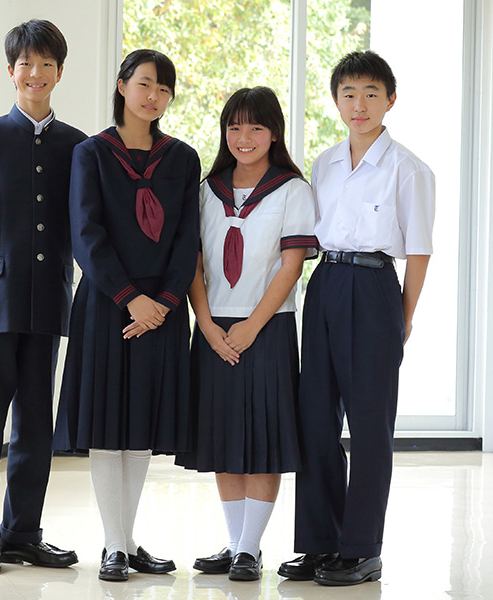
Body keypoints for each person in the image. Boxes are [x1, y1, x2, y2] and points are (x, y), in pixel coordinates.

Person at [278, 50, 434, 587]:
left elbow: (418, 251)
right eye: (348, 93)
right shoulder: (324, 163)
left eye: (371, 93)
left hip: (373, 289)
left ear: (391, 100)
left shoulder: (409, 169)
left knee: (370, 427)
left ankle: (362, 548)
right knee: (315, 420)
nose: (359, 104)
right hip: (325, 285)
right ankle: (320, 543)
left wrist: (403, 318)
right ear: (336, 101)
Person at [51, 49, 201, 582]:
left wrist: (161, 302)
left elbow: (188, 239)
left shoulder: (183, 159)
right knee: (104, 426)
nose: (153, 96)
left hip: (162, 309)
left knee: (139, 425)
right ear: (122, 86)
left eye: (163, 88)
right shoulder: (91, 154)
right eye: (144, 84)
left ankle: (126, 540)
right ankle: (114, 544)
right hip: (107, 306)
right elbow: (85, 235)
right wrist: (129, 297)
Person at [0, 19, 87, 574]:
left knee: (35, 422)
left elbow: (81, 229)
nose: (36, 73)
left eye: (46, 64)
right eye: (25, 63)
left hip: (47, 298)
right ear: (11, 71)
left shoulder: (77, 146)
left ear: (59, 72)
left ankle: (22, 532)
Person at [175, 87, 317, 582]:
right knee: (223, 437)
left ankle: (251, 549)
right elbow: (192, 261)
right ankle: (235, 543)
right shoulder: (206, 188)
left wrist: (252, 326)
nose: (244, 137)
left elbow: (291, 265)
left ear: (273, 132)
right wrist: (208, 325)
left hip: (268, 328)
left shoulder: (292, 190)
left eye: (256, 127)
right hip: (214, 328)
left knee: (262, 438)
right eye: (234, 127)